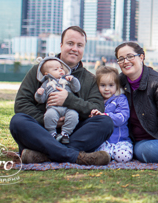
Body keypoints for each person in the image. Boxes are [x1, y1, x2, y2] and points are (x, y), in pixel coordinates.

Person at [10, 26, 114, 165]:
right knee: (18, 121)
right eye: (70, 43)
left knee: (105, 122)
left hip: (73, 133)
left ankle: (45, 155)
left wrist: (68, 100)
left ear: (84, 49)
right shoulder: (41, 70)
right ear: (61, 45)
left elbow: (96, 108)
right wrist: (46, 120)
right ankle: (76, 156)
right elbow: (21, 104)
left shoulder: (90, 79)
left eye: (79, 45)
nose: (74, 49)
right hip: (43, 131)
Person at [90, 66, 133, 163]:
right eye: (102, 85)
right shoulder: (97, 101)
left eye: (110, 85)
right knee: (100, 154)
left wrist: (105, 116)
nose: (106, 89)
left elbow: (122, 117)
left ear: (117, 86)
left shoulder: (120, 99)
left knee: (123, 157)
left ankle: (113, 156)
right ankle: (108, 156)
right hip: (104, 142)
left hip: (121, 141)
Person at [35, 56, 81, 143]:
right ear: (47, 74)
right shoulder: (46, 84)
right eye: (56, 69)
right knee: (49, 116)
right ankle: (52, 133)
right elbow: (42, 100)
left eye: (61, 68)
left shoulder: (67, 80)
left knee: (74, 115)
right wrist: (39, 94)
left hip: (68, 108)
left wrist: (73, 80)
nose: (60, 70)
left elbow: (76, 89)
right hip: (53, 108)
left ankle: (65, 134)